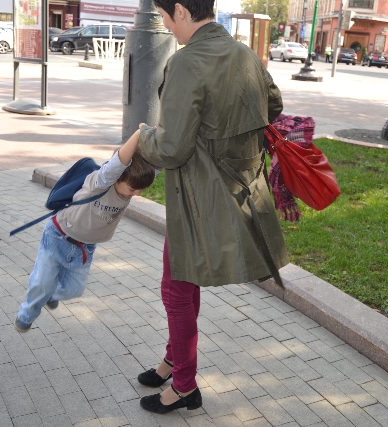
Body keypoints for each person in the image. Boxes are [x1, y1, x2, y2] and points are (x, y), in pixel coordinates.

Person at [136, 0, 289, 415]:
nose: (169, 28)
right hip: (236, 188)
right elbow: (272, 105)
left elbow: (171, 148)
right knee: (183, 283)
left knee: (175, 288)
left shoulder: (187, 63)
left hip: (198, 193)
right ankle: (173, 362)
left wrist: (141, 137)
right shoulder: (244, 54)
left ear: (182, 11)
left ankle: (184, 386)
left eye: (167, 19)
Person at [13, 132, 155, 332]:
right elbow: (118, 163)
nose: (137, 194)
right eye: (133, 190)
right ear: (117, 177)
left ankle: (51, 295)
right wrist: (140, 134)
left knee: (74, 290)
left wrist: (157, 137)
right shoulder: (101, 182)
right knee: (41, 283)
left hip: (84, 248)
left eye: (140, 190)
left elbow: (158, 162)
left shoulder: (130, 183)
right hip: (57, 237)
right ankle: (26, 315)